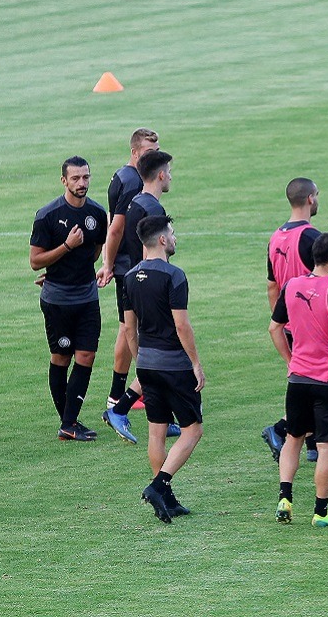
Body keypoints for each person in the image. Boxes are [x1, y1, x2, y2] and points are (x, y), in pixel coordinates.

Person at [269, 232, 328, 527]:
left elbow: (274, 328)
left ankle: (285, 497)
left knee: (293, 438)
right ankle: (321, 512)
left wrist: (290, 361)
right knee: (326, 447)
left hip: (298, 379)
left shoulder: (291, 286)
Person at [125, 216, 206, 523]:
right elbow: (181, 325)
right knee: (193, 430)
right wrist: (195, 363)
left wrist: (140, 363)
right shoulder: (174, 275)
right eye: (171, 234)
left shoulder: (129, 277)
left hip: (146, 363)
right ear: (161, 240)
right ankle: (159, 486)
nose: (174, 238)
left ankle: (167, 499)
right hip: (174, 365)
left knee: (156, 431)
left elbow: (129, 329)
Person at [102, 150, 180, 444]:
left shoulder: (136, 202)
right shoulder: (152, 209)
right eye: (169, 172)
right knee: (160, 354)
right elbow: (157, 254)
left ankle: (162, 417)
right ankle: (119, 409)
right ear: (160, 175)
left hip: (136, 282)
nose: (170, 176)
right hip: (150, 288)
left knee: (157, 354)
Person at [30, 156, 108, 441]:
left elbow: (95, 251)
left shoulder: (98, 213)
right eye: (75, 178)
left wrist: (74, 268)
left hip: (87, 297)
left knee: (87, 355)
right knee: (61, 357)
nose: (81, 183)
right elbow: (35, 261)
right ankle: (69, 423)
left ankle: (68, 423)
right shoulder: (47, 215)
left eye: (85, 177)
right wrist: (66, 246)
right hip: (58, 301)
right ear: (64, 180)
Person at [97, 128, 160, 411]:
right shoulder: (134, 182)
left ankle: (122, 391)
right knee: (128, 327)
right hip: (130, 265)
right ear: (135, 152)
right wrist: (108, 264)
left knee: (128, 326)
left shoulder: (121, 175)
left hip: (124, 264)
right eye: (149, 152)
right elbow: (117, 226)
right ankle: (121, 394)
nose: (154, 157)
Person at [261, 178, 323, 462]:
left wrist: (281, 320)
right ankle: (280, 429)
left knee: (304, 379)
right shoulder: (312, 238)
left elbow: (272, 286)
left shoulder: (275, 237)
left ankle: (312, 444)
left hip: (288, 322)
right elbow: (323, 283)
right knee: (318, 382)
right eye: (317, 195)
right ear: (310, 199)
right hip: (311, 322)